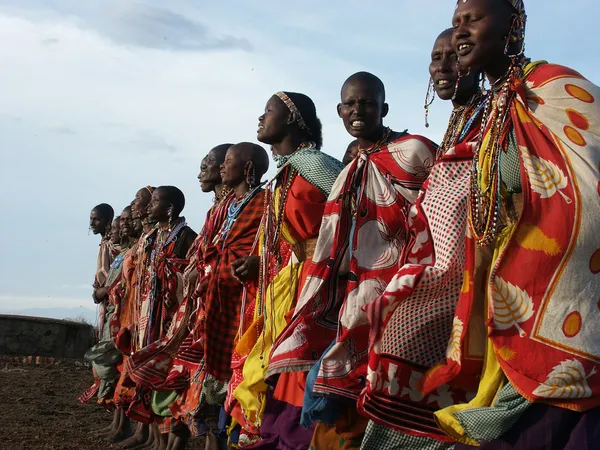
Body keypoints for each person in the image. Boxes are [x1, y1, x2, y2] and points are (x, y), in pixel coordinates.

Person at [424, 1, 600, 448]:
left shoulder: (552, 87)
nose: (460, 32)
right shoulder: (491, 108)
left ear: (513, 27)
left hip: (558, 282)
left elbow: (588, 174)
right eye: (456, 22)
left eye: (473, 20)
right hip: (505, 283)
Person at [265, 73, 437, 448]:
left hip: (409, 287)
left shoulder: (415, 152)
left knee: (392, 382)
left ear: (384, 109)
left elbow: (441, 214)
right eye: (350, 104)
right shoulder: (348, 171)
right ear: (340, 111)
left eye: (368, 103)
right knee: (341, 384)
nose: (358, 110)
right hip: (354, 291)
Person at [357, 29, 485, 449]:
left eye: (456, 56)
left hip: (477, 267)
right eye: (436, 58)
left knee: (404, 343)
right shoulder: (458, 122)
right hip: (430, 266)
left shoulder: (494, 114)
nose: (444, 68)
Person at [228, 92, 343, 448]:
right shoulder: (286, 172)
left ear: (292, 120)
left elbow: (354, 208)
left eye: (268, 112)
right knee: (274, 367)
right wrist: (261, 263)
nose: (260, 119)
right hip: (287, 283)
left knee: (298, 367)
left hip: (318, 284)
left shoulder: (318, 167)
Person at [124, 186, 196, 450]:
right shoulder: (153, 237)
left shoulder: (186, 237)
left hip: (173, 322)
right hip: (149, 319)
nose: (148, 207)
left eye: (155, 202)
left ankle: (171, 443)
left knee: (169, 379)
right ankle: (155, 440)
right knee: (149, 376)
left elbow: (191, 273)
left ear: (169, 208)